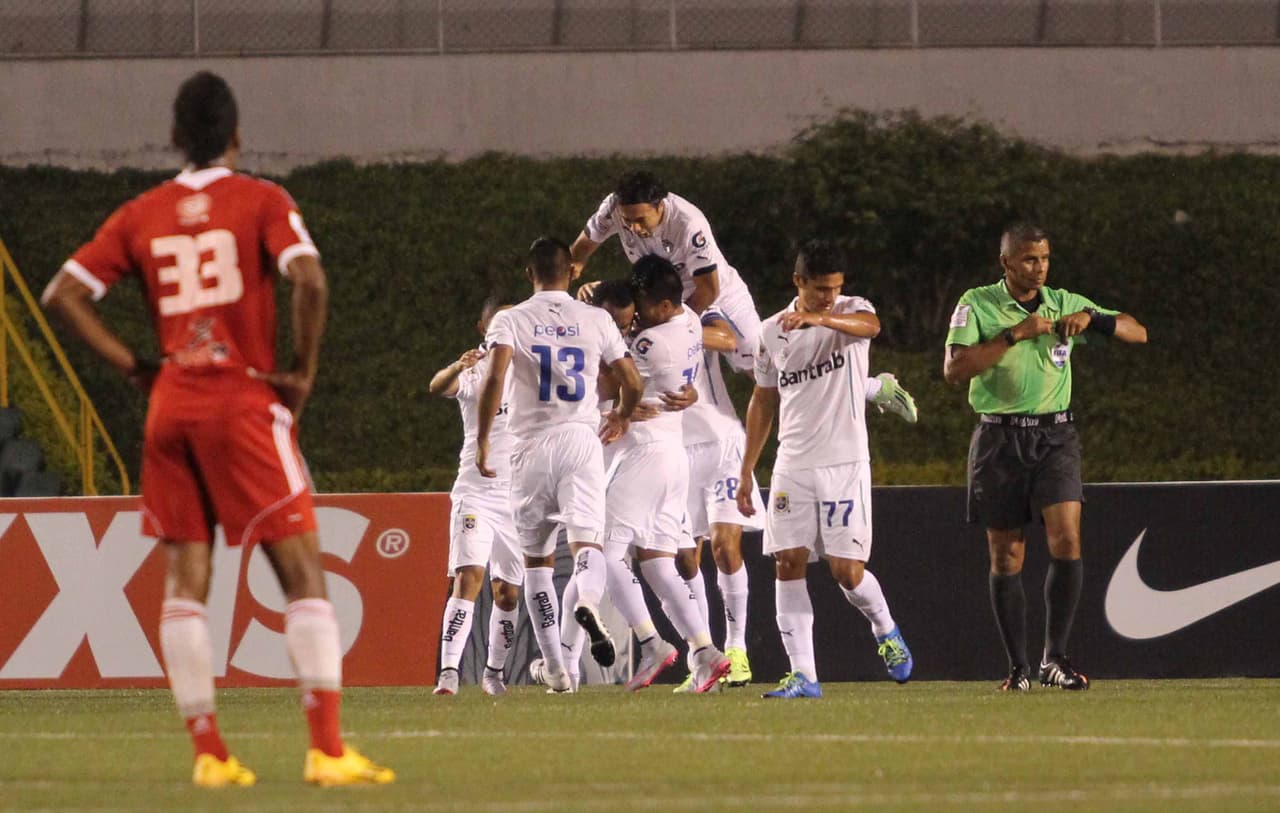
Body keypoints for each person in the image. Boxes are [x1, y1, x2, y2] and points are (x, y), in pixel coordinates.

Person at [40, 72, 392, 786]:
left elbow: (62, 293)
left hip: (170, 404)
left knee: (186, 579)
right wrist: (302, 372)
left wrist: (135, 366)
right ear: (236, 135)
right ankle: (326, 748)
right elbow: (311, 279)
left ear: (174, 138)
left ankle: (209, 752)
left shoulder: (141, 213)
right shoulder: (261, 199)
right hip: (240, 401)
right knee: (301, 571)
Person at [943, 223, 1148, 692]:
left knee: (1067, 540)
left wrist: (1092, 320)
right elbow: (955, 369)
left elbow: (1139, 332)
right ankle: (1017, 668)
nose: (1039, 269)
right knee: (1007, 554)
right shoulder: (976, 303)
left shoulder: (1062, 301)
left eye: (1045, 259)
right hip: (999, 439)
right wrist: (1014, 335)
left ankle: (1054, 659)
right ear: (1006, 263)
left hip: (1055, 437)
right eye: (1030, 260)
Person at [569, 169, 921, 426]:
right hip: (661, 296)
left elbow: (708, 289)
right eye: (627, 221)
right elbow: (581, 251)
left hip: (714, 296)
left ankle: (876, 388)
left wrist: (675, 328)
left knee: (768, 371)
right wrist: (567, 283)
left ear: (660, 206)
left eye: (640, 220)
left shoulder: (689, 224)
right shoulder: (614, 208)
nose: (632, 228)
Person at [738, 239, 914, 699]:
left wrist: (820, 316)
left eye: (834, 288)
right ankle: (805, 676)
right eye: (819, 289)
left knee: (846, 571)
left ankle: (885, 628)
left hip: (844, 461)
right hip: (793, 462)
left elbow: (870, 327)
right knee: (787, 561)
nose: (828, 296)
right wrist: (746, 470)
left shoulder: (851, 310)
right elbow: (763, 398)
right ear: (798, 282)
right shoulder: (771, 330)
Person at [476, 236, 643, 693]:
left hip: (528, 448)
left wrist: (485, 438)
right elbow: (631, 380)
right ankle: (587, 601)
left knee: (537, 563)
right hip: (579, 439)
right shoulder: (595, 318)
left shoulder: (511, 319)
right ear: (571, 271)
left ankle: (556, 668)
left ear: (529, 274)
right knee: (588, 544)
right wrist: (623, 417)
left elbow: (494, 377)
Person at [427, 299, 523, 697]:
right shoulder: (477, 367)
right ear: (482, 326)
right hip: (476, 492)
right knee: (469, 577)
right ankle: (449, 671)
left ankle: (494, 672)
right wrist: (459, 365)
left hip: (518, 497)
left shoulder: (532, 371)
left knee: (508, 591)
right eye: (497, 320)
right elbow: (438, 386)